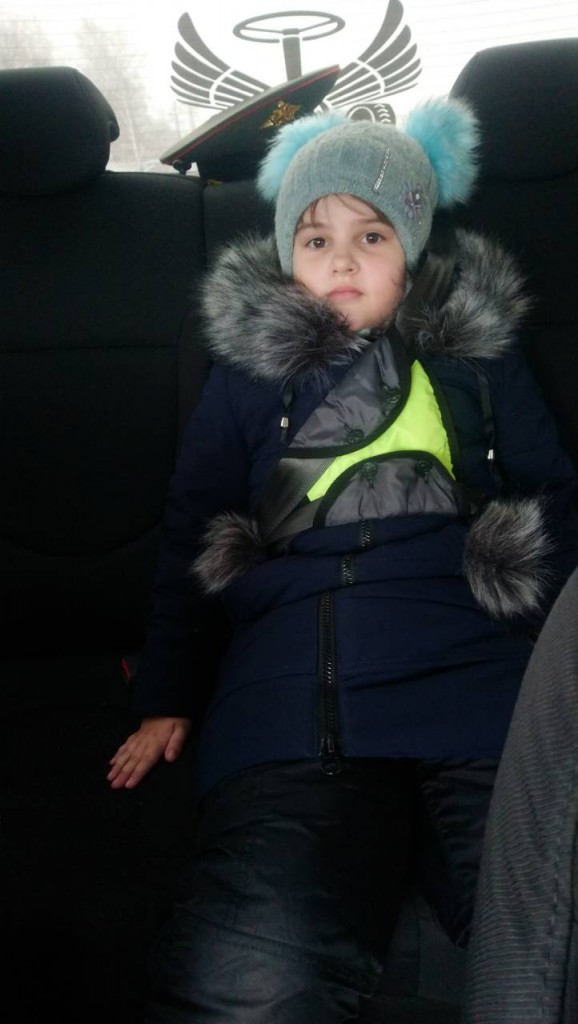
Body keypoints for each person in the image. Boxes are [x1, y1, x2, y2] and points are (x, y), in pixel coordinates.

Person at [108, 98, 578, 1021]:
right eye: (316, 240)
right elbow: (192, 529)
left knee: (554, 945)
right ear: (288, 254)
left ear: (413, 250)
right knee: (243, 979)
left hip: (473, 665)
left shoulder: (477, 356)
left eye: (372, 236)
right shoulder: (249, 376)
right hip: (295, 686)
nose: (343, 262)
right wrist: (168, 691)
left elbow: (553, 500)